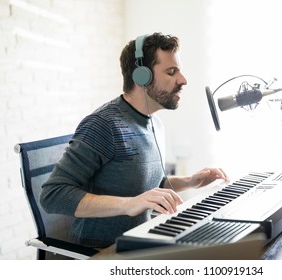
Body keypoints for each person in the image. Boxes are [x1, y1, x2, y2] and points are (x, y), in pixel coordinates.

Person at [40, 32, 228, 248]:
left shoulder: (154, 123)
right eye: (171, 71)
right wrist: (129, 205)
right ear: (142, 77)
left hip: (141, 238)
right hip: (102, 250)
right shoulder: (103, 125)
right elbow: (52, 195)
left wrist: (189, 182)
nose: (183, 80)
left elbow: (145, 187)